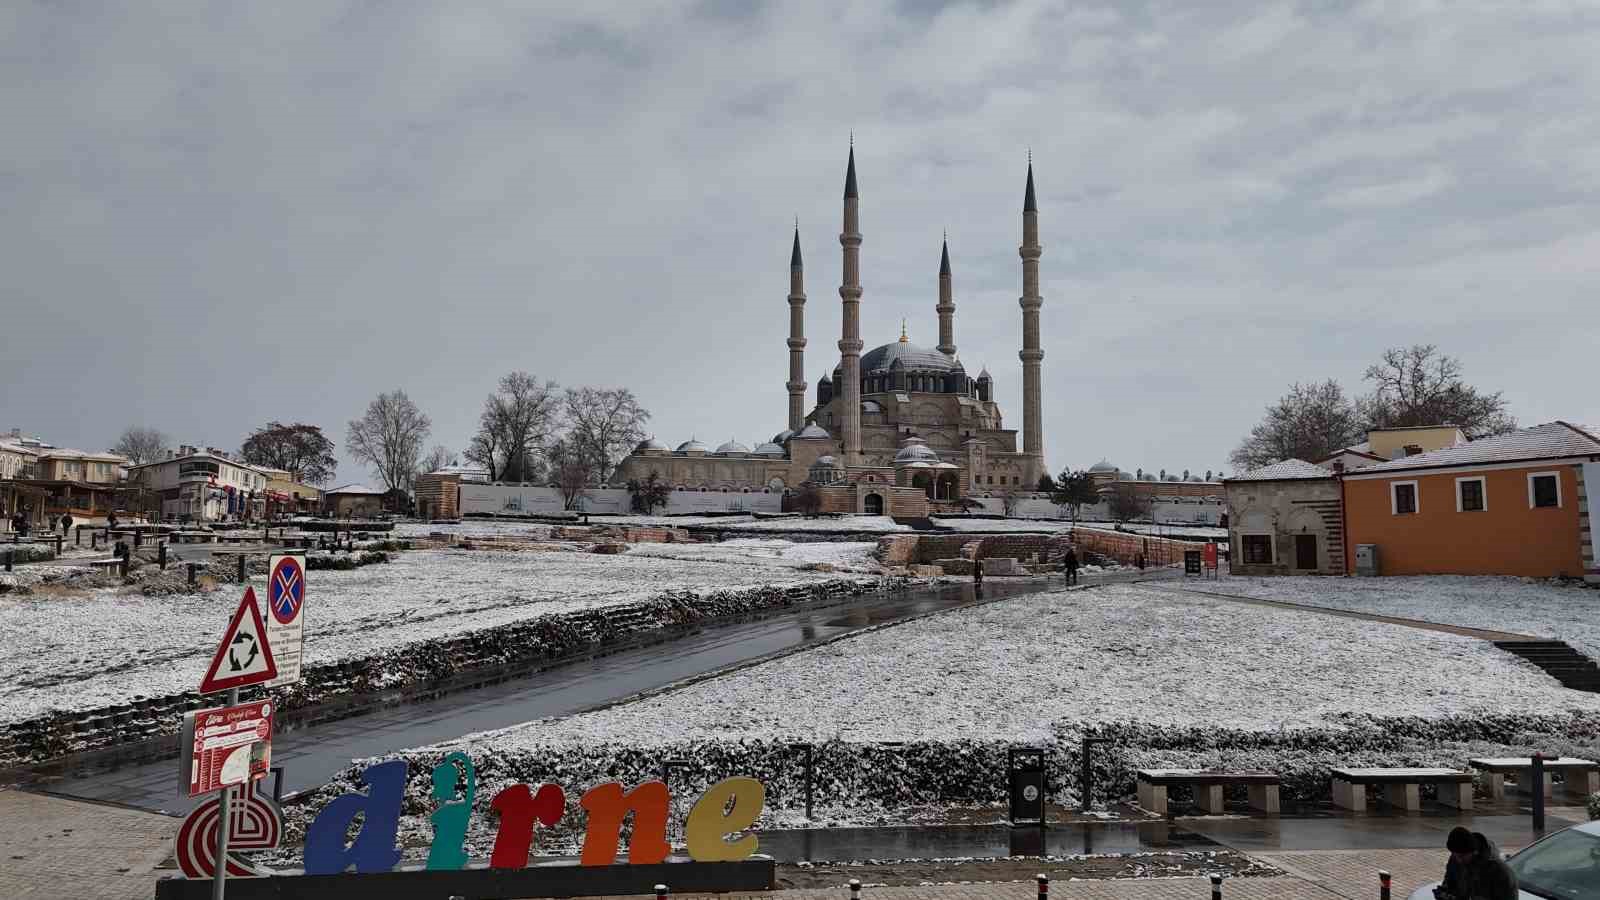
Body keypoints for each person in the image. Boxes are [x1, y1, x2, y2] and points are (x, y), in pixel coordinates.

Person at [1438, 826, 1517, 900]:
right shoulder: (1456, 858)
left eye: (1462, 856)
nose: (1458, 860)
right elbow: (1449, 882)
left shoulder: (1500, 872)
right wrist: (1444, 893)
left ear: (1474, 852)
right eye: (1455, 855)